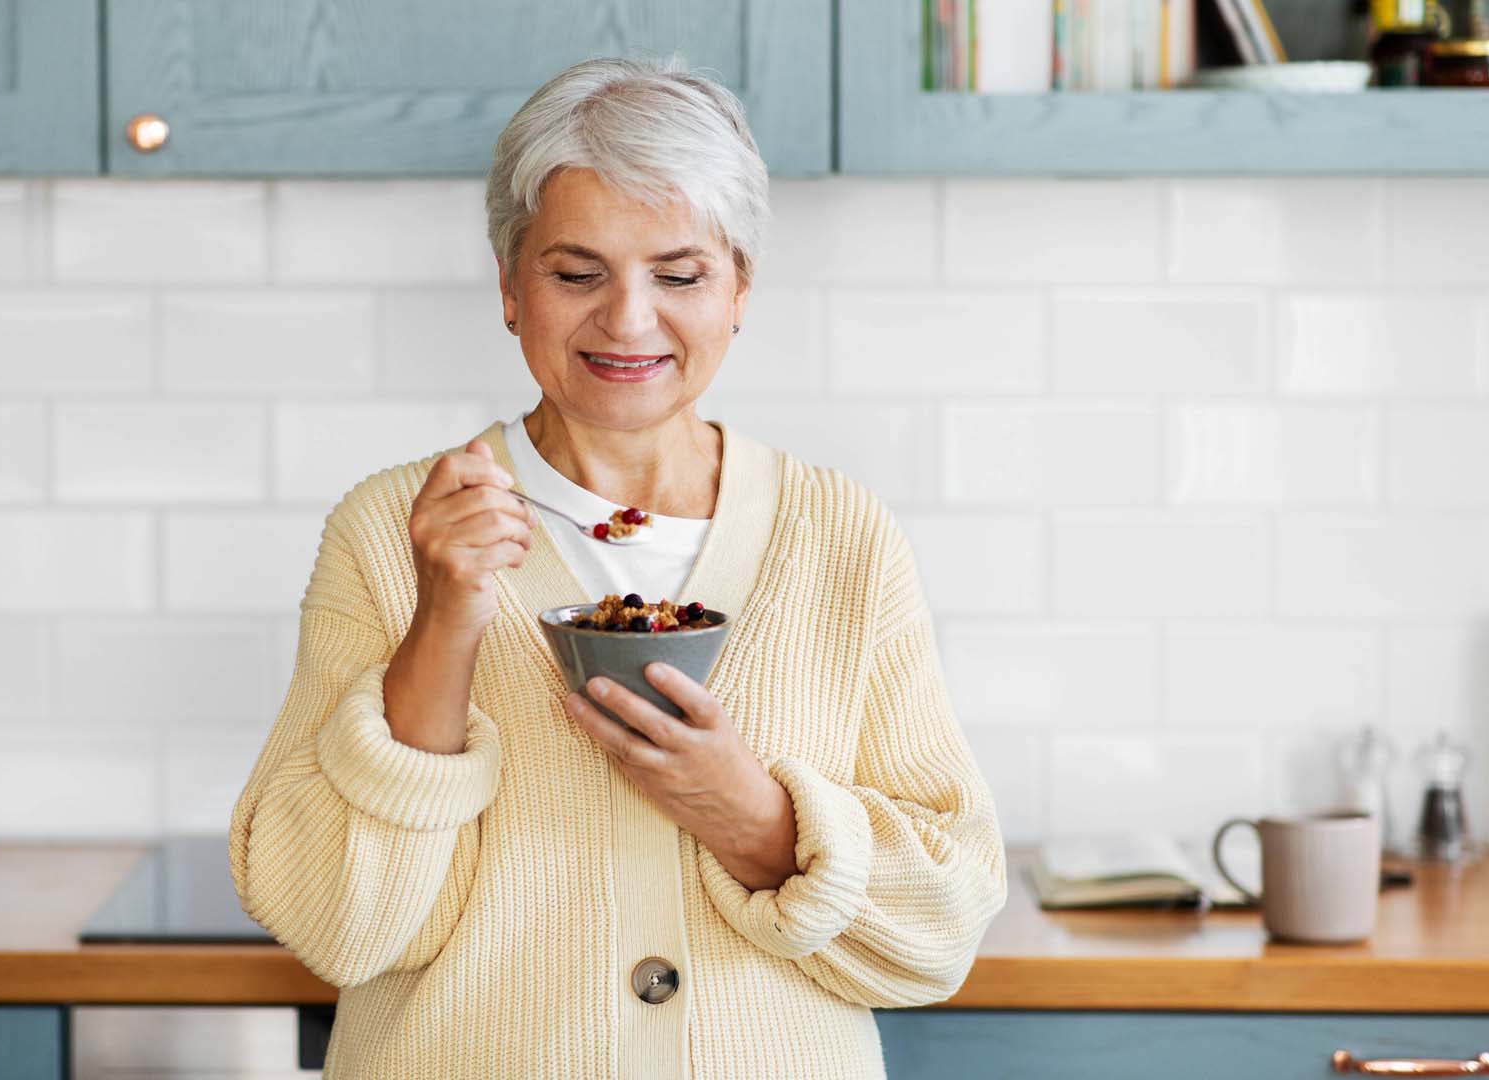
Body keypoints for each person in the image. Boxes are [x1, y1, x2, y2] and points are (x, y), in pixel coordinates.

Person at [230, 54, 1006, 1080]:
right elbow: (338, 926)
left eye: (679, 275)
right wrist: (445, 624)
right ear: (511, 287)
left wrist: (759, 822)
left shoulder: (840, 537)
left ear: (738, 289)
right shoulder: (392, 531)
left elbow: (942, 933)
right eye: (575, 271)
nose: (629, 320)